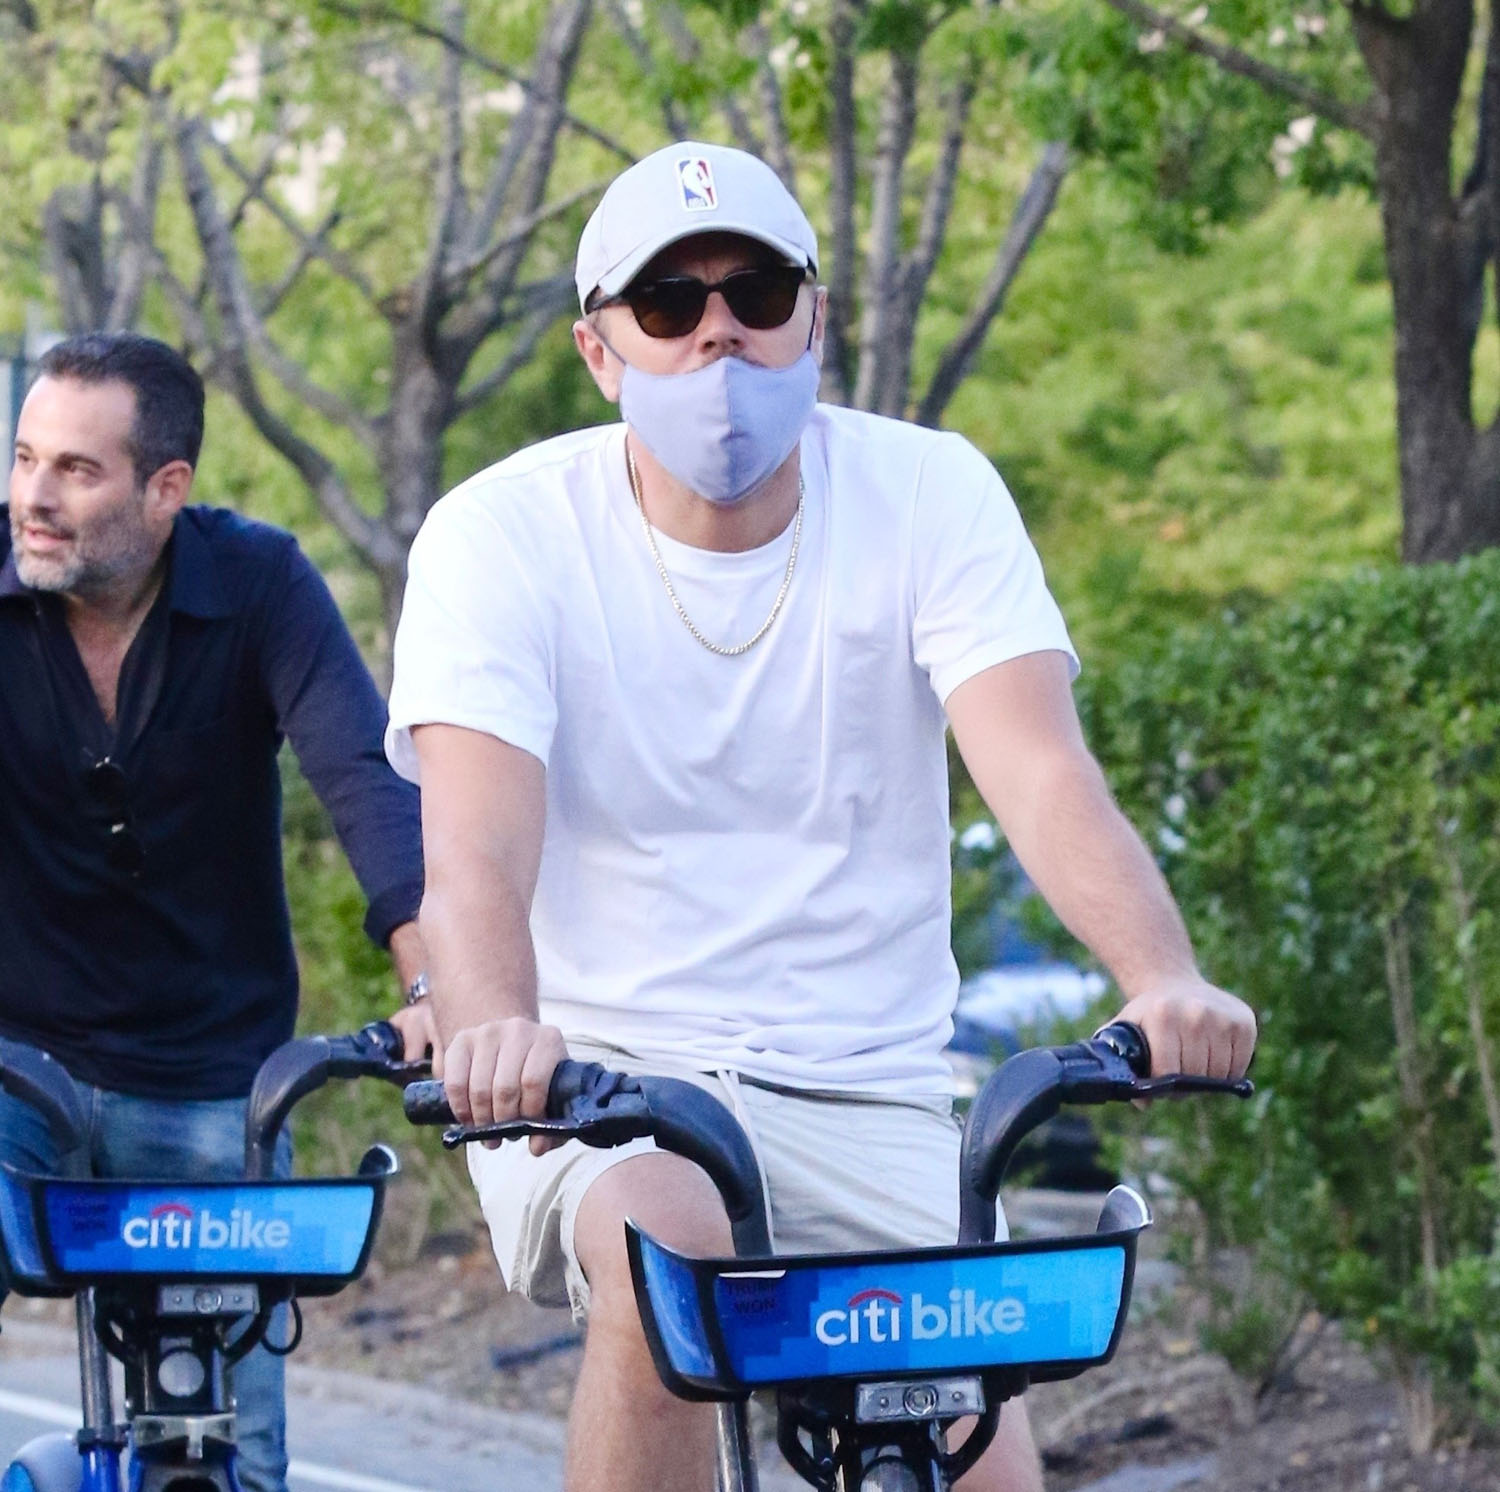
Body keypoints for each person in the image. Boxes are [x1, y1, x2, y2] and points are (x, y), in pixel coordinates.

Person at [386, 141, 1257, 1492]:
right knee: (668, 1247)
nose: (718, 333)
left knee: (987, 1470)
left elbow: (1041, 772)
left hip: (874, 1090)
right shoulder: (498, 532)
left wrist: (1164, 978)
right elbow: (477, 846)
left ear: (817, 318)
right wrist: (497, 1023)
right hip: (611, 1088)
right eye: (668, 305)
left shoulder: (929, 490)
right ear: (600, 351)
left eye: (756, 293)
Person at [0, 332, 434, 1492]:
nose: (33, 496)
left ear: (167, 488)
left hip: (209, 1079)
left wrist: (439, 980)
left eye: (75, 469)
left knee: (231, 1461)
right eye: (26, 458)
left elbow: (364, 775)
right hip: (14, 1073)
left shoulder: (259, 583)